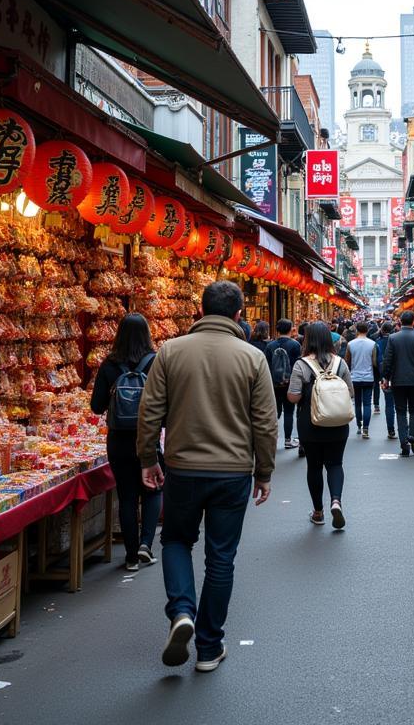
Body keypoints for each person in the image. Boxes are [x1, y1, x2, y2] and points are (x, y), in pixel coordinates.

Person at [137, 281, 277, 674]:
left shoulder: (170, 351)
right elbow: (265, 422)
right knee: (221, 557)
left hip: (182, 467)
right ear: (239, 315)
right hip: (233, 473)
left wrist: (149, 458)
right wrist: (264, 471)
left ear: (200, 310)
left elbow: (150, 412)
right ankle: (209, 644)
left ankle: (182, 610)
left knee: (177, 540)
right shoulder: (252, 357)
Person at [90, 313, 161, 571]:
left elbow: (96, 406)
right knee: (153, 490)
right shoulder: (155, 362)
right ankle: (146, 545)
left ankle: (130, 557)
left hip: (118, 440)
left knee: (127, 495)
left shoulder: (109, 364)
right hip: (148, 436)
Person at [288, 321, 353, 529]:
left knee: (314, 466)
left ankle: (318, 512)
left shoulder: (301, 364)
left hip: (310, 424)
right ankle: (336, 500)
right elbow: (350, 392)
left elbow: (293, 397)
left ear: (307, 339)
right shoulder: (340, 363)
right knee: (335, 464)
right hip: (338, 423)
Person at [381, 311, 414, 457]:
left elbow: (388, 360)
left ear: (400, 322)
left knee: (401, 411)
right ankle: (413, 437)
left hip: (398, 380)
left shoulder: (393, 338)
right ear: (413, 322)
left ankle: (404, 442)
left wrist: (385, 378)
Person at [266, 319, 302, 450]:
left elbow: (267, 365)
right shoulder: (295, 345)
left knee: (274, 412)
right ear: (290, 329)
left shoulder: (270, 346)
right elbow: (298, 365)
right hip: (290, 383)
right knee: (289, 412)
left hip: (274, 384)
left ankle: (271, 440)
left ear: (277, 329)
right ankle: (288, 440)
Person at [345, 321, 378, 439]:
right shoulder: (372, 344)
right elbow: (374, 362)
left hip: (354, 377)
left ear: (357, 330)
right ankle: (366, 429)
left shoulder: (350, 344)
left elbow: (347, 361)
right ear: (367, 330)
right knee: (368, 403)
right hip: (368, 377)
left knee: (358, 402)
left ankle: (359, 425)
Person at [375, 322, 396, 439]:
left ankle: (391, 430)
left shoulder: (378, 342)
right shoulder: (396, 341)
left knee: (389, 404)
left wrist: (382, 377)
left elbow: (378, 361)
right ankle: (405, 430)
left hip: (384, 376)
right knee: (401, 405)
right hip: (397, 375)